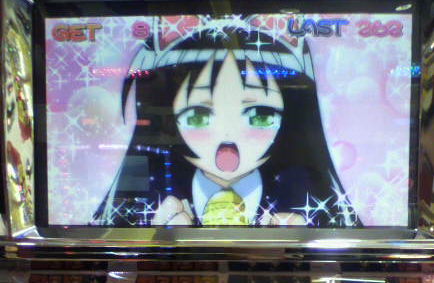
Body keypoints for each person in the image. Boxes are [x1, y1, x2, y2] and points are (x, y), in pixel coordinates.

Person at [93, 19, 359, 228]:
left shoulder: (309, 193)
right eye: (198, 117)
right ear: (168, 122)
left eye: (260, 116)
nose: (228, 139)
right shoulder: (146, 196)